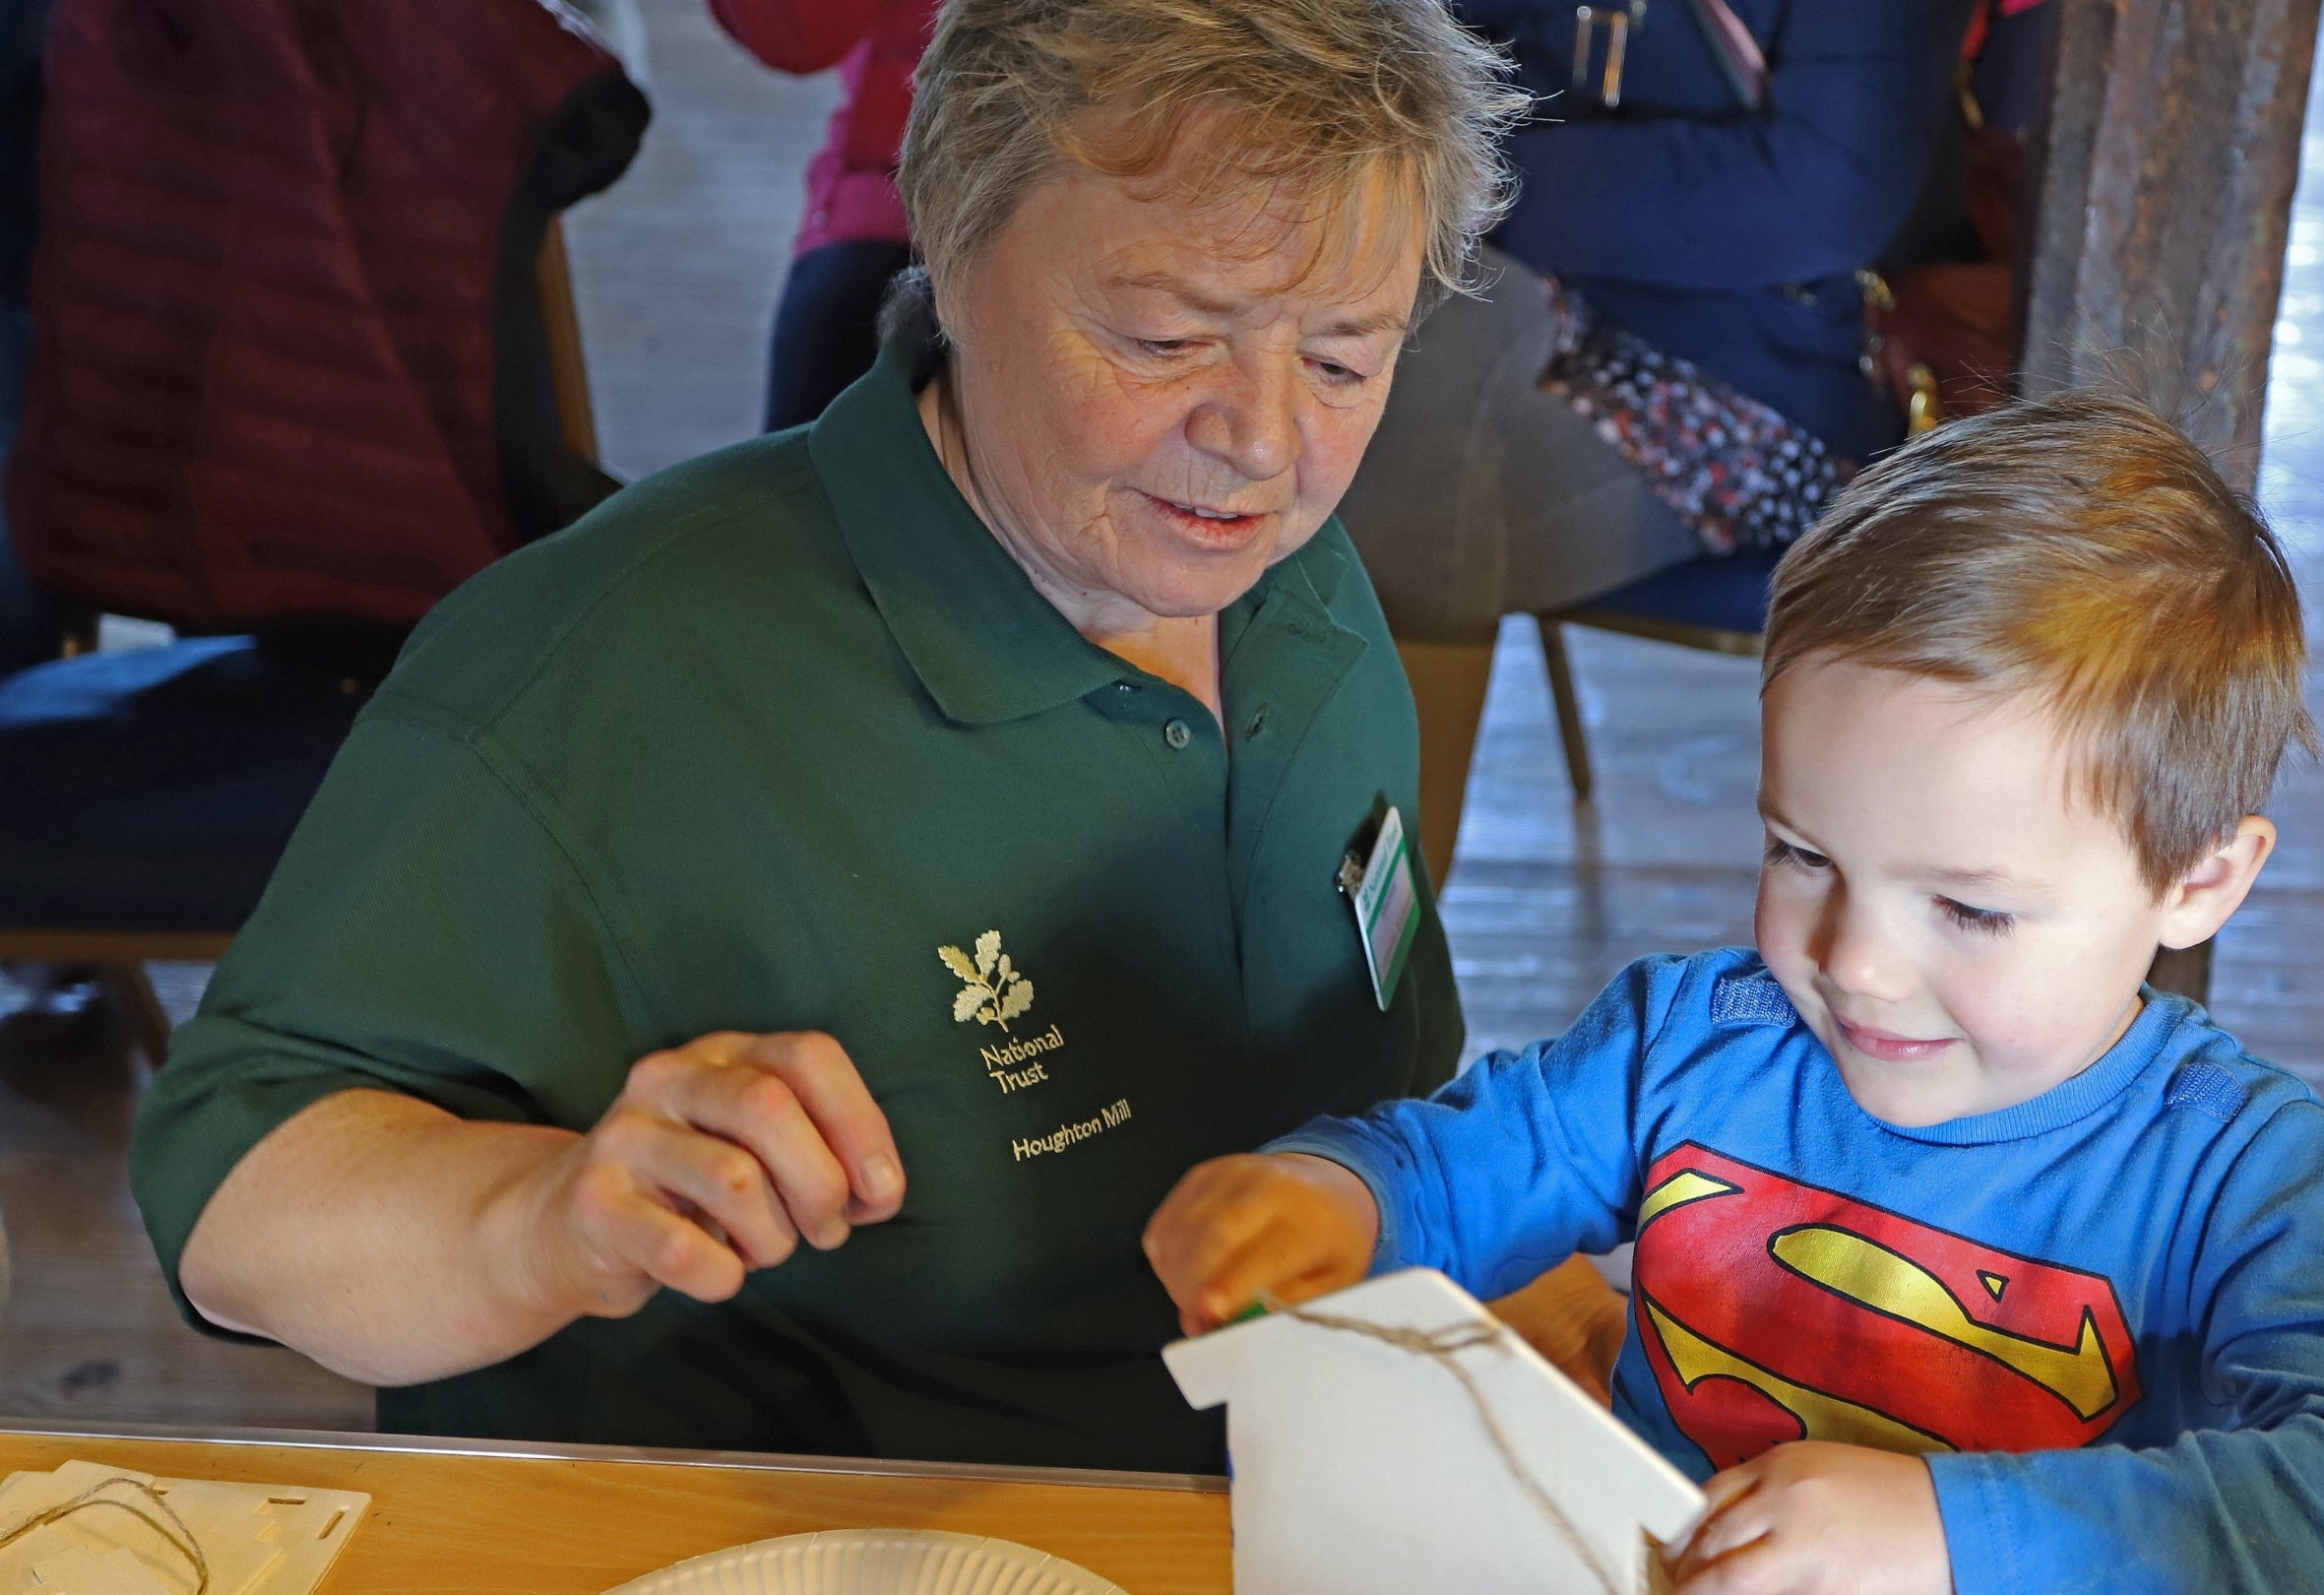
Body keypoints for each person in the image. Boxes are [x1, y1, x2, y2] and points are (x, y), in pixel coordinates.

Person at [126, 0, 1559, 1471]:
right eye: (1165, 334)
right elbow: (235, 1197)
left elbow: (1387, 1106)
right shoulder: (613, 671)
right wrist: (548, 1219)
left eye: (1341, 359)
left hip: (1274, 1508)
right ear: (946, 238)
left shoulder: (1293, 590)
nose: (1262, 442)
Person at [1145, 394, 2324, 1591]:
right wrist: (1336, 1196)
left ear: (2200, 880)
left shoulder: (2238, 1171)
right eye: (1802, 853)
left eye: (1967, 907)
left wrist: (1949, 1539)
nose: (1853, 962)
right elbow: (1463, 1166)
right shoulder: (1699, 1044)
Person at [1339, 0, 1984, 877]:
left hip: (1760, 381)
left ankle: (1368, 934)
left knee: (1410, 423)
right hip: (1509, 287)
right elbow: (1411, 77)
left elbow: (1821, 197)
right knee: (1333, 368)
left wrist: (1468, 173)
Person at [707, 0, 928, 432]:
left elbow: (797, 34)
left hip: (1029, 193)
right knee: (798, 463)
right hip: (898, 192)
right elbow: (799, 33)